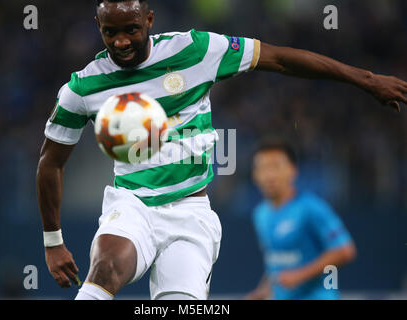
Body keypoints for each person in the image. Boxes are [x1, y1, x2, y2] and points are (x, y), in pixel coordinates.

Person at [36, 0, 406, 300]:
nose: (120, 42)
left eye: (130, 29)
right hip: (131, 203)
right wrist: (53, 242)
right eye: (109, 32)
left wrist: (366, 79)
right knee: (107, 266)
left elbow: (278, 58)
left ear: (149, 20)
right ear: (98, 27)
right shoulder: (82, 89)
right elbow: (50, 162)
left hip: (191, 213)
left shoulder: (197, 50)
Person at [245, 138, 356, 300]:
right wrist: (263, 291)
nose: (269, 175)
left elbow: (345, 250)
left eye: (275, 166)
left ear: (293, 170)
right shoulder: (260, 214)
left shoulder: (311, 208)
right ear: (255, 175)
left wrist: (299, 275)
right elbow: (276, 262)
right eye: (262, 168)